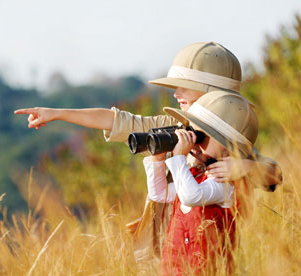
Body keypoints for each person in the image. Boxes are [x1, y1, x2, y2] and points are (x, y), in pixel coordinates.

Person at [14, 41, 282, 260]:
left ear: (212, 92)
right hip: (164, 247)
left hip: (207, 255)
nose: (176, 94)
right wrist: (58, 113)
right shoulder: (173, 126)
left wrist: (245, 167)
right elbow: (117, 120)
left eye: (184, 86)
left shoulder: (228, 141)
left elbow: (274, 175)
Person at [144, 90, 259, 275]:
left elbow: (192, 196)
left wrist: (179, 156)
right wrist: (158, 161)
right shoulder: (196, 176)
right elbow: (160, 194)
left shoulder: (226, 183)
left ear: (229, 148)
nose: (196, 142)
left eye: (202, 137)